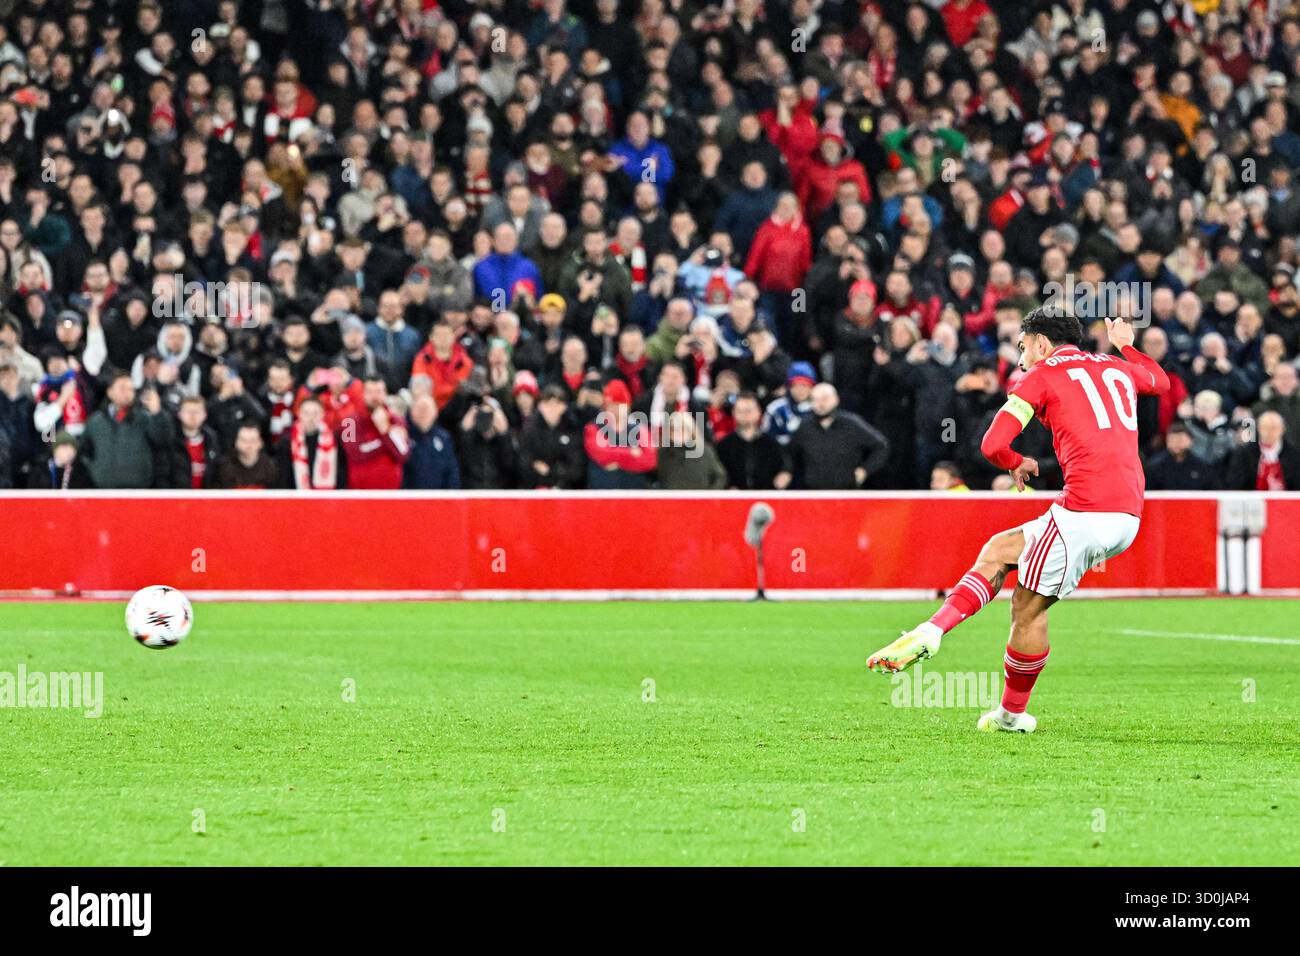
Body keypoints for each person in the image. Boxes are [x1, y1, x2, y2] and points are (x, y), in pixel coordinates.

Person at [867, 310, 1170, 734]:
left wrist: (1017, 462)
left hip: (1085, 511)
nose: (1021, 356)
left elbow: (991, 444)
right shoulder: (1117, 367)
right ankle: (938, 635)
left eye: (1024, 346)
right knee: (1000, 550)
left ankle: (994, 698)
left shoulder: (1039, 376)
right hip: (1129, 512)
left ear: (1042, 344)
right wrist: (1125, 345)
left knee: (1026, 611)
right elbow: (1160, 382)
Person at [775, 383, 890, 490]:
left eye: (825, 398)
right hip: (814, 493)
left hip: (847, 491)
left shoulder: (852, 423)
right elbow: (789, 451)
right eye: (815, 399)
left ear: (836, 399)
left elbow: (881, 446)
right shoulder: (805, 427)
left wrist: (865, 470)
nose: (820, 404)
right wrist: (787, 470)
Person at [78, 372, 174, 489]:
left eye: (130, 389)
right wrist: (95, 469)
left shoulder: (145, 418)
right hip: (103, 492)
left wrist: (157, 413)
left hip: (138, 492)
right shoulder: (95, 421)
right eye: (122, 388)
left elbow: (164, 440)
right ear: (110, 392)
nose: (127, 393)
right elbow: (83, 451)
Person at [340, 377, 410, 490]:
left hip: (390, 493)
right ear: (363, 394)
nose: (374, 397)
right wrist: (386, 438)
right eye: (370, 392)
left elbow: (403, 453)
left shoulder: (398, 420)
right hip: (359, 493)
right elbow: (353, 453)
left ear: (385, 394)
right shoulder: (348, 421)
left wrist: (385, 431)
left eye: (378, 392)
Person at [1224, 410, 1300, 491]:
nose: (1269, 432)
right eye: (1265, 427)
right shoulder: (1244, 455)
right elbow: (1235, 484)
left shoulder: (1295, 456)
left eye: (1274, 428)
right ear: (1259, 429)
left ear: (1282, 430)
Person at [209, 424, 280, 489]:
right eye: (243, 440)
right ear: (236, 443)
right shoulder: (223, 467)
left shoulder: (270, 467)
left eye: (253, 440)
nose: (248, 445)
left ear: (260, 443)